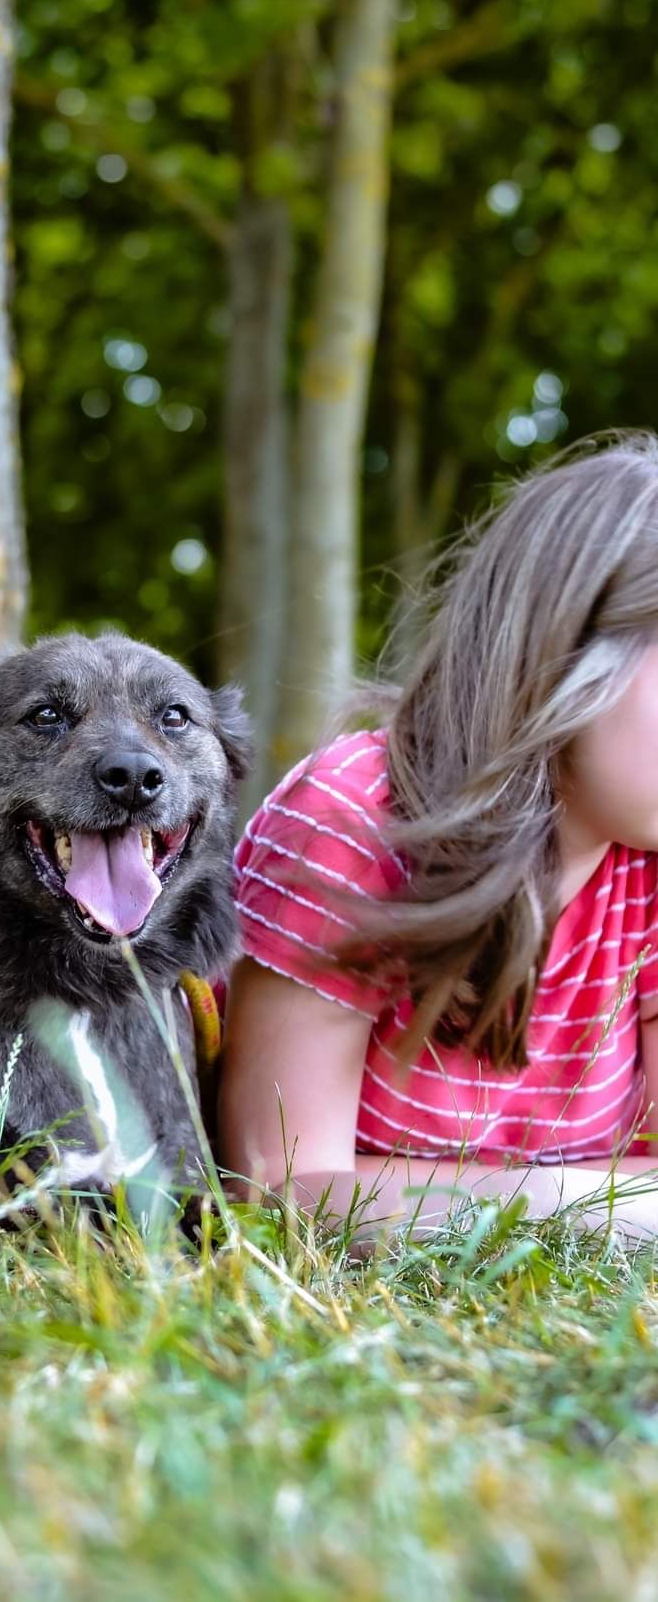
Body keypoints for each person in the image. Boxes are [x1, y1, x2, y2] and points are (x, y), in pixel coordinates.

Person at [218, 431, 658, 1244]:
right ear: (564, 650)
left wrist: (406, 1191)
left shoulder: (646, 868)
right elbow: (275, 1185)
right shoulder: (352, 818)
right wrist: (586, 1202)